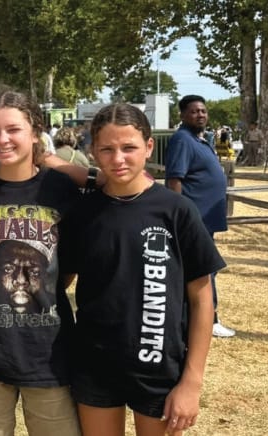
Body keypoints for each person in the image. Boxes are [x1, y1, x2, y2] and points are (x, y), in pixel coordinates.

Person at [63, 103, 222, 436]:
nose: (118, 158)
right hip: (95, 366)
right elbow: (62, 280)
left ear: (149, 147)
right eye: (107, 148)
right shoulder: (82, 213)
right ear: (93, 151)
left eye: (129, 147)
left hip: (159, 368)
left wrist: (191, 383)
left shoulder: (176, 211)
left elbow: (202, 299)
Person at [0, 89, 81, 435]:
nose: (2, 139)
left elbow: (68, 268)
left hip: (50, 355)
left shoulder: (61, 188)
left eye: (13, 129)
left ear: (35, 130)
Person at [165, 95, 236, 338]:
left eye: (203, 111)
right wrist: (178, 217)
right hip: (194, 218)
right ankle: (208, 318)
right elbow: (175, 179)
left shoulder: (202, 140)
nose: (201, 115)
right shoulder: (182, 140)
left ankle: (202, 316)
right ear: (183, 115)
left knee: (205, 267)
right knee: (203, 268)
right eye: (194, 111)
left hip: (208, 218)